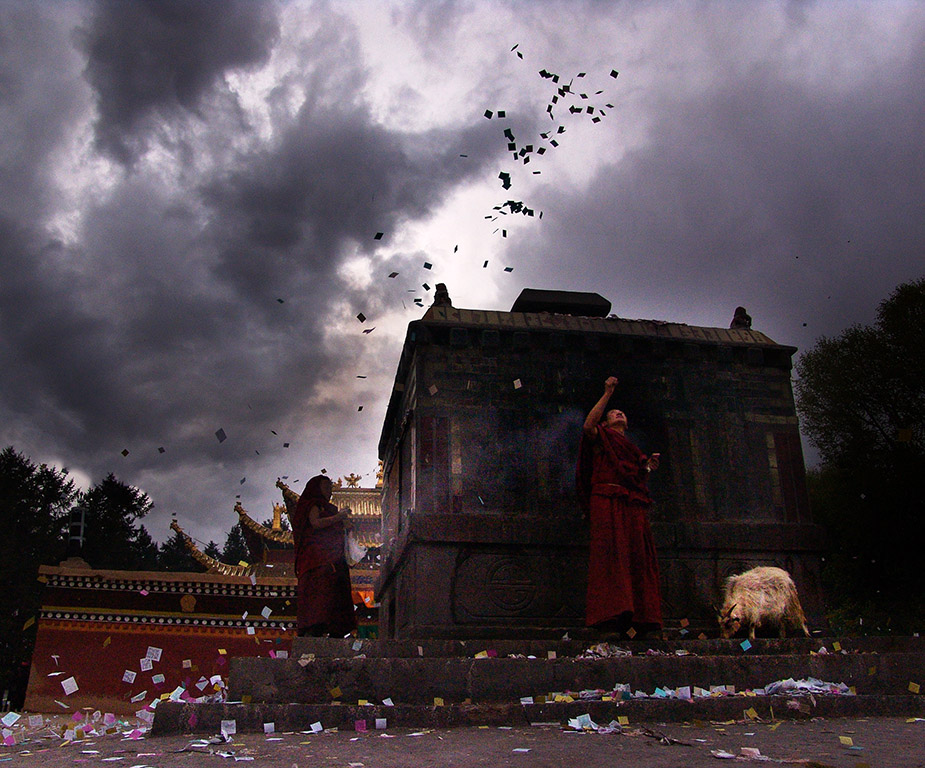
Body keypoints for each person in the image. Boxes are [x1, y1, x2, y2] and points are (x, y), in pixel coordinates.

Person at [576, 376, 663, 635]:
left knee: (636, 556)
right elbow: (588, 426)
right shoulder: (601, 436)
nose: (619, 413)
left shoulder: (632, 448)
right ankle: (610, 615)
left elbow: (636, 476)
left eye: (621, 412)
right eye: (614, 412)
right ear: (606, 421)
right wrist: (607, 393)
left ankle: (641, 617)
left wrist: (648, 467)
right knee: (610, 555)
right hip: (607, 501)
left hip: (631, 505)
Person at [292, 474, 357, 637]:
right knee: (319, 595)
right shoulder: (313, 504)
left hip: (332, 558)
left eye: (331, 488)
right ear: (316, 489)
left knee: (336, 593)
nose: (329, 492)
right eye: (326, 487)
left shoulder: (329, 509)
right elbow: (315, 523)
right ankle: (315, 626)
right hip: (317, 559)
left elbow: (334, 529)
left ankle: (337, 628)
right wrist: (338, 517)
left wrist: (345, 525)